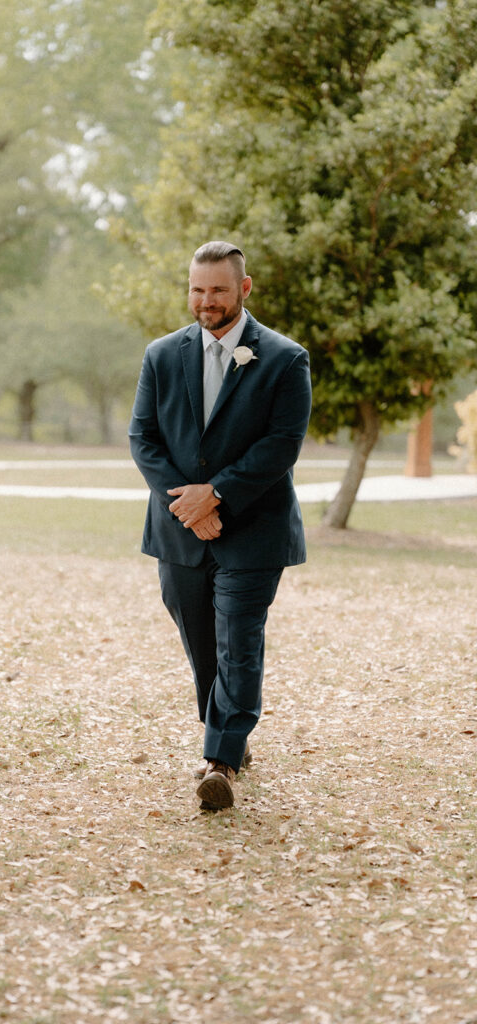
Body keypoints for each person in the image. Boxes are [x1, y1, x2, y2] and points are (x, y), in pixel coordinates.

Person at [129, 240, 312, 810]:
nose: (206, 302)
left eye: (219, 291)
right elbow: (143, 438)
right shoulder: (161, 355)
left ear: (245, 289)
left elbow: (282, 444)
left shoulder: (284, 359)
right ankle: (230, 731)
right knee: (202, 646)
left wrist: (220, 497)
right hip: (178, 531)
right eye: (197, 290)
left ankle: (221, 762)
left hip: (254, 530)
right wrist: (188, 506)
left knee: (238, 642)